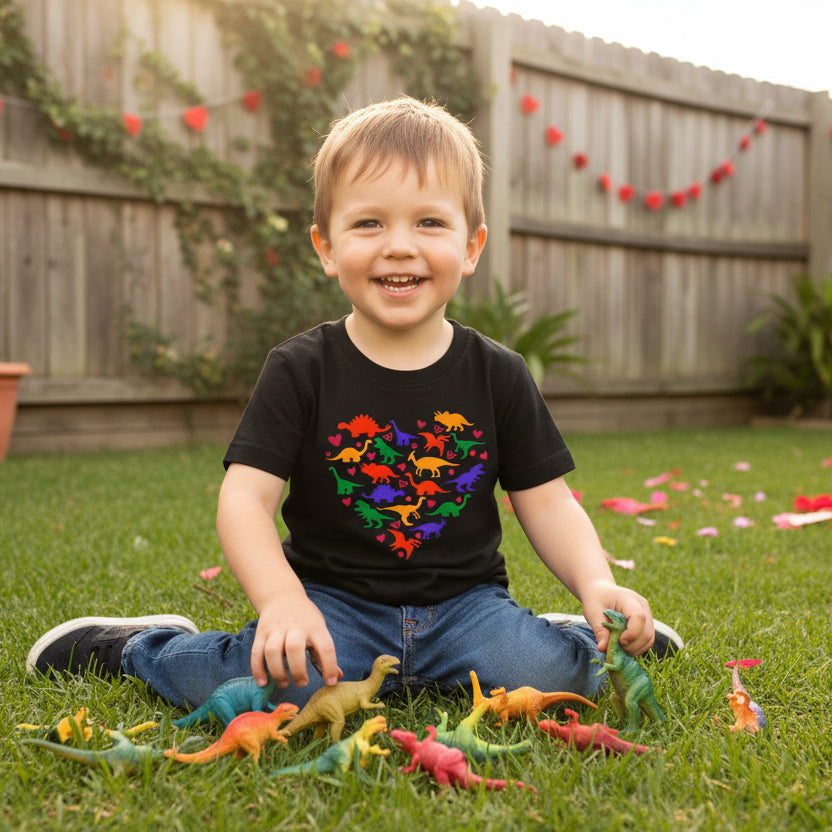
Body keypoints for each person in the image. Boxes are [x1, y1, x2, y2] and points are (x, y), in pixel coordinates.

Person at [27, 97, 682, 712]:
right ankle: (140, 648)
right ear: (327, 248)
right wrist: (282, 601)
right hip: (330, 606)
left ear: (471, 247)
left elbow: (548, 503)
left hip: (468, 608)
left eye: (429, 222)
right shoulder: (300, 368)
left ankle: (590, 632)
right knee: (272, 690)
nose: (399, 244)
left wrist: (595, 583)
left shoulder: (499, 374)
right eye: (369, 222)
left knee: (550, 675)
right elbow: (245, 499)